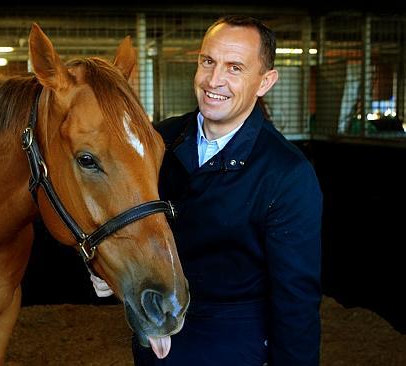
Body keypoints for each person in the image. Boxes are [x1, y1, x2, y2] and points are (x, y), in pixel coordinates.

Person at [94, 15, 323, 365]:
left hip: (234, 346)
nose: (214, 80)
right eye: (208, 61)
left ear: (265, 81)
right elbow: (120, 216)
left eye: (235, 68)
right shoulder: (158, 141)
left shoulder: (287, 174)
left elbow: (297, 299)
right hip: (157, 338)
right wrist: (103, 268)